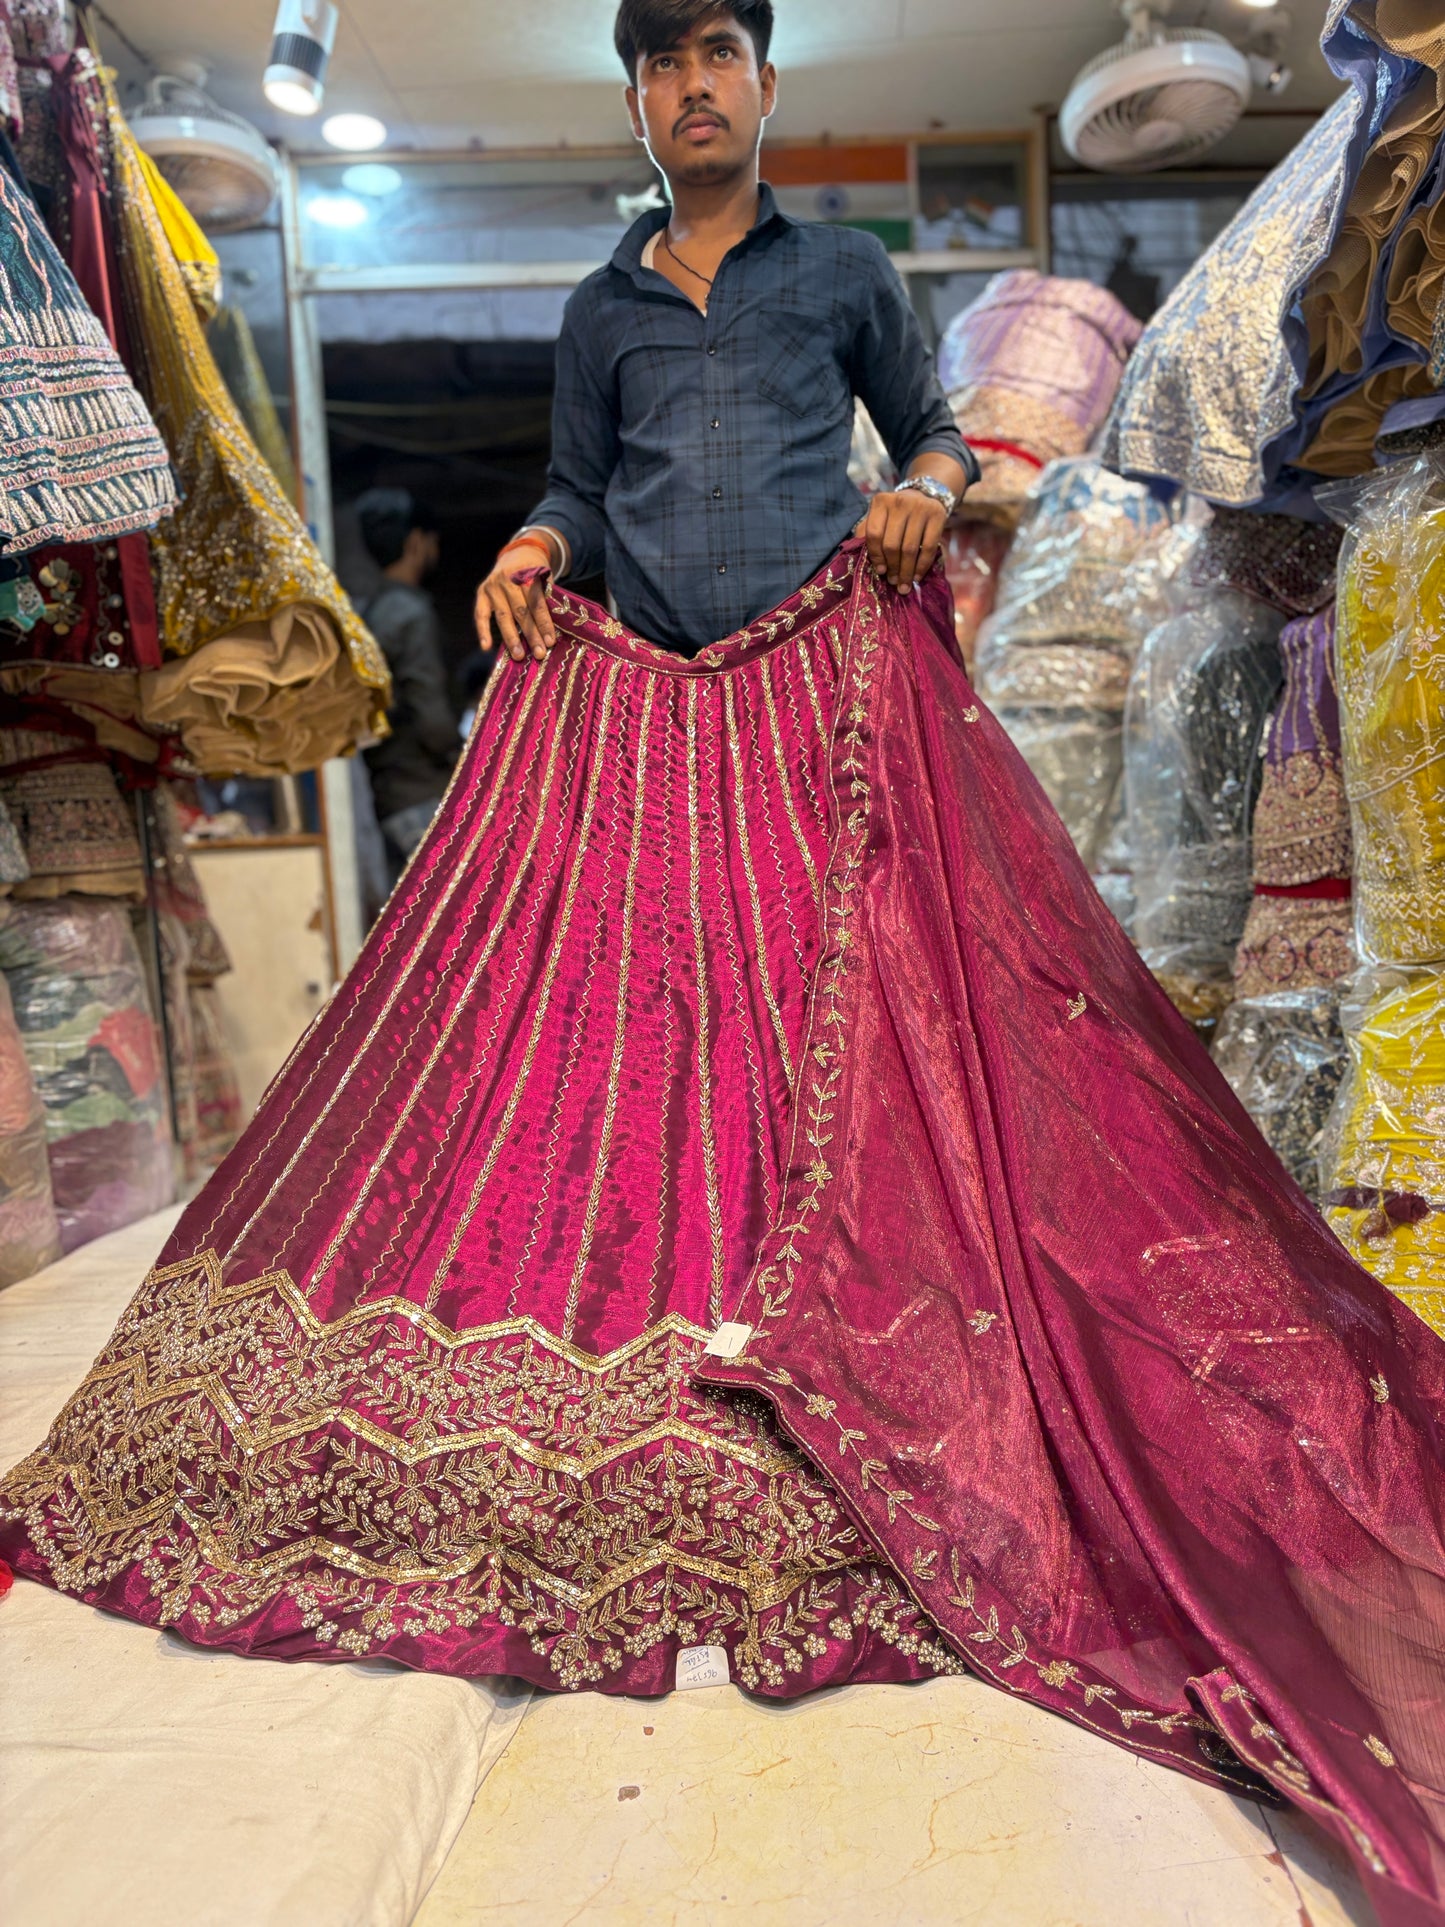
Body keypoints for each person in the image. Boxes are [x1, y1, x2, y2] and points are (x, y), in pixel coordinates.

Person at [4, 10, 1445, 1922]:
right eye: (662, 65)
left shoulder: (841, 274)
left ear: (762, 84)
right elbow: (584, 486)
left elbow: (923, 425)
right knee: (605, 1039)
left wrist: (927, 479)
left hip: (821, 702)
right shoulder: (601, 306)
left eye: (719, 56)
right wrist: (529, 541)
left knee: (842, 1035)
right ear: (634, 102)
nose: (694, 89)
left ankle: (821, 1291)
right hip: (642, 722)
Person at [355, 487, 459, 875]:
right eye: (431, 540)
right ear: (416, 542)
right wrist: (463, 757)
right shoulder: (412, 614)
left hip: (388, 795)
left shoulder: (370, 614)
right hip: (424, 793)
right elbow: (430, 711)